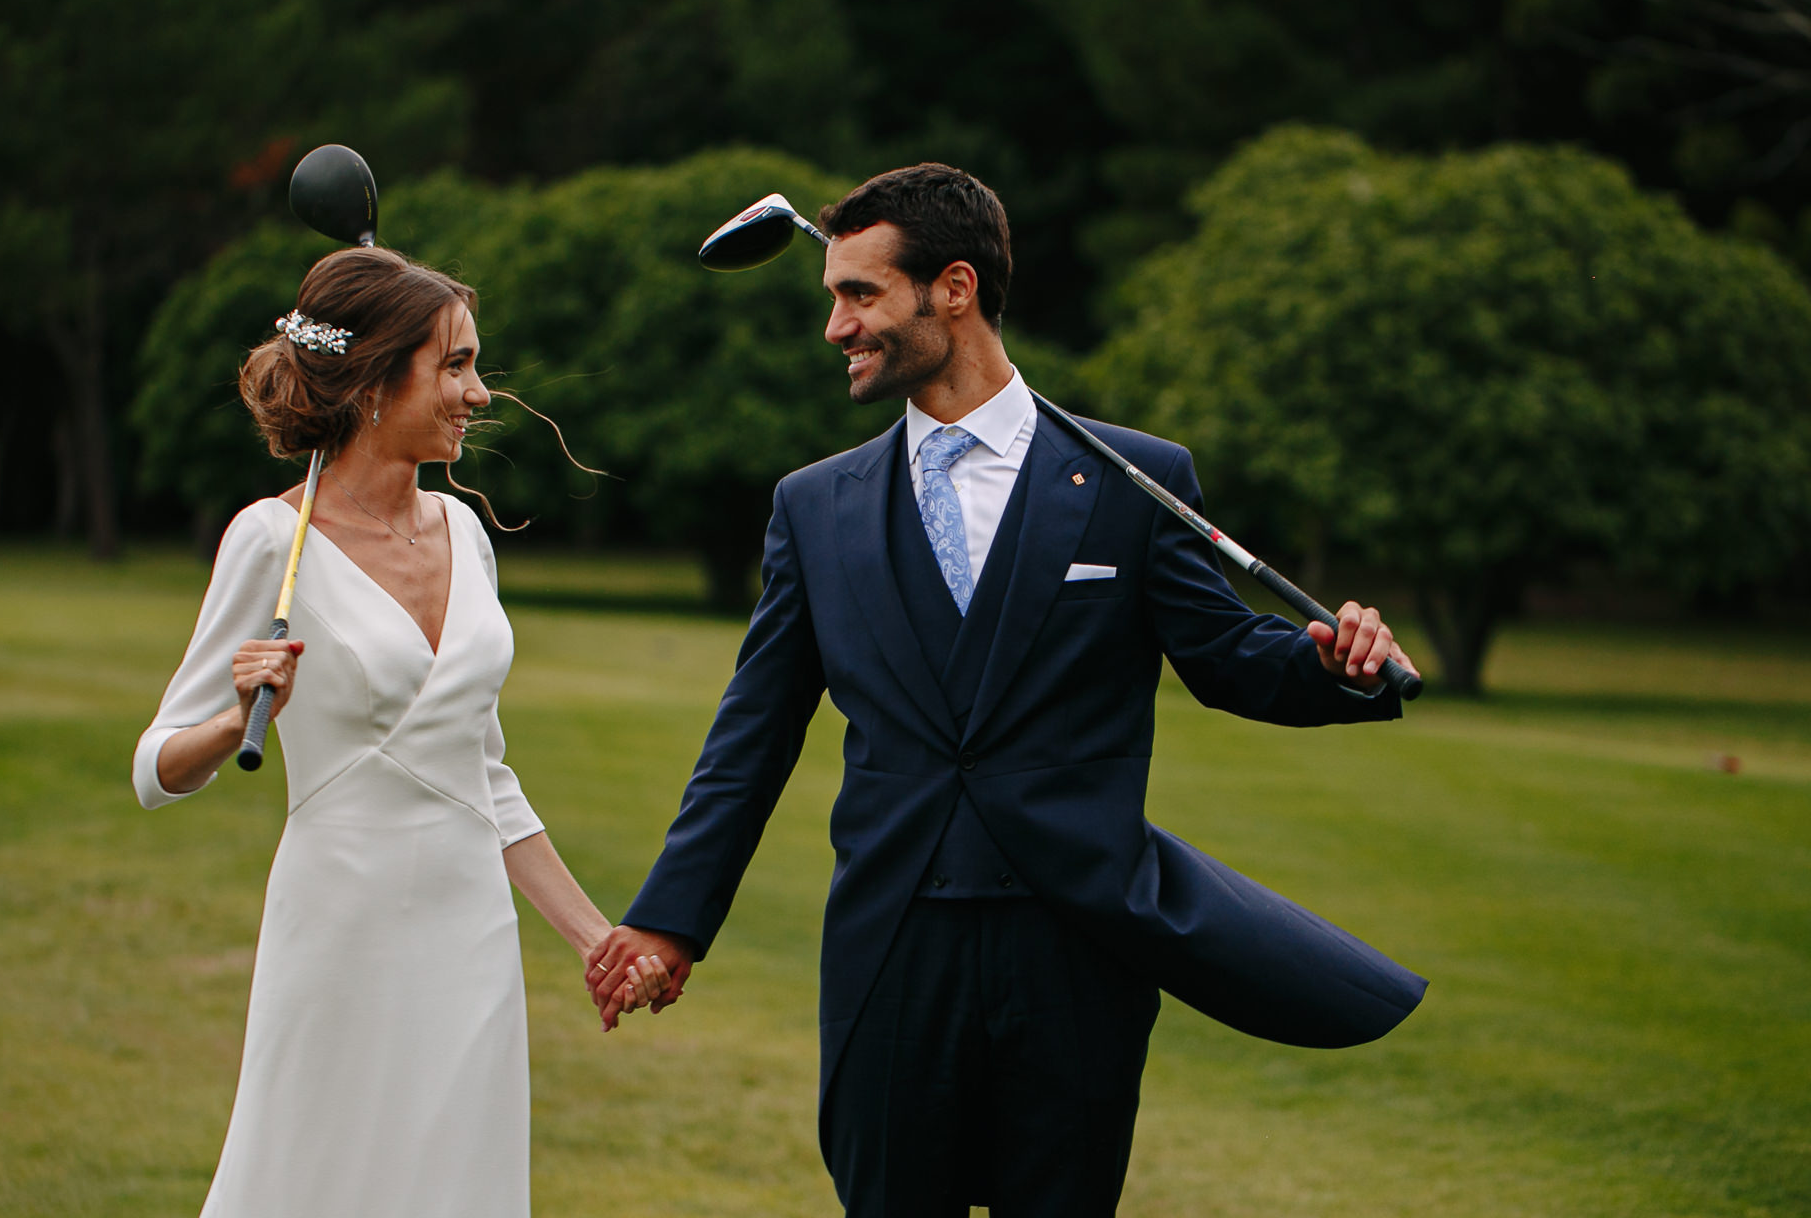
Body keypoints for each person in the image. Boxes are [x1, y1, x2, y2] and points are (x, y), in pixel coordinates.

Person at [588, 164, 1429, 1217]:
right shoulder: (814, 507)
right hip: (893, 941)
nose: (835, 326)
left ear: (953, 287)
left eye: (859, 294)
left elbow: (1227, 660)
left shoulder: (1133, 480)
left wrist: (1336, 662)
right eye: (831, 295)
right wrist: (672, 921)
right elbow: (752, 735)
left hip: (1075, 942)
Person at [132, 246, 668, 1218]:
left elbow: (483, 775)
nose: (481, 393)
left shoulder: (465, 533)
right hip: (338, 925)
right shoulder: (270, 540)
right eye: (455, 365)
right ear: (377, 381)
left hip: (467, 937)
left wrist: (600, 939)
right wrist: (235, 713)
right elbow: (154, 767)